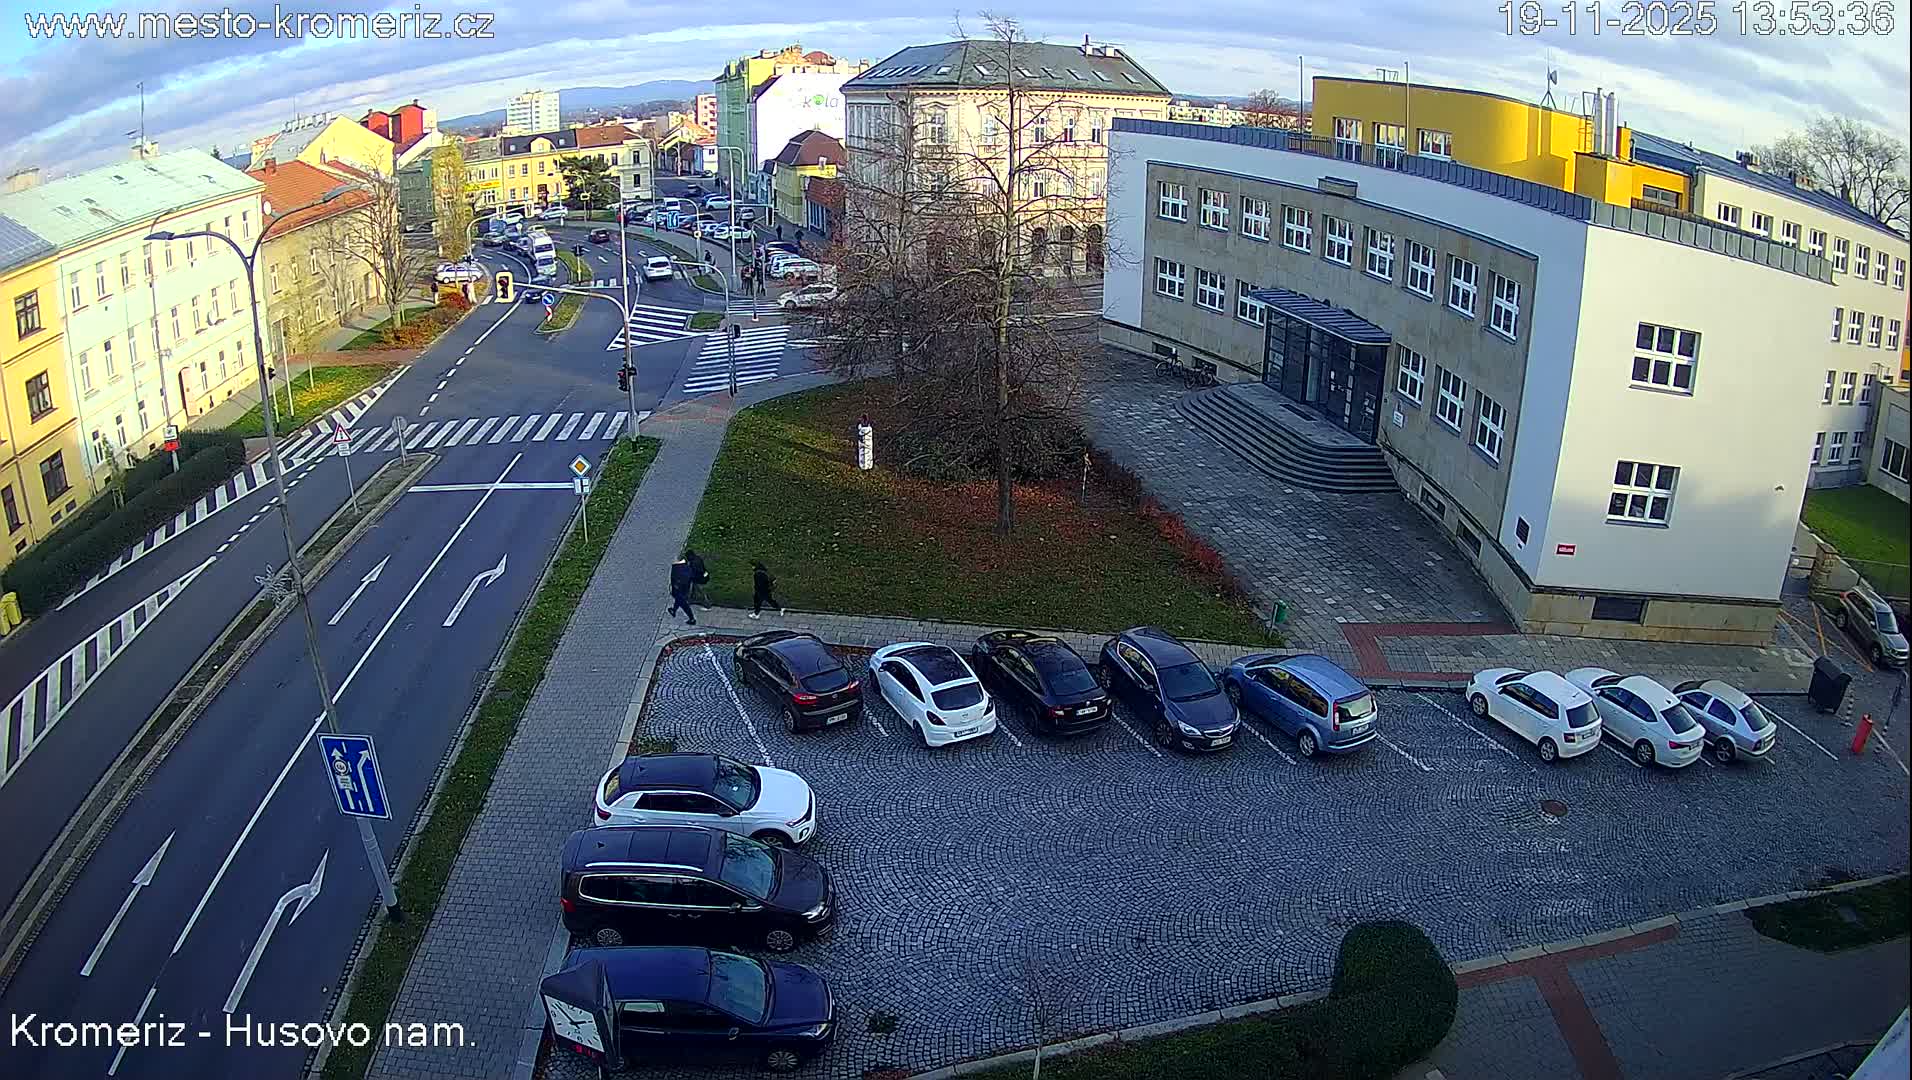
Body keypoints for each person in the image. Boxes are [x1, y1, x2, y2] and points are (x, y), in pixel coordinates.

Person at [668, 555, 696, 625]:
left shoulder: (675, 568)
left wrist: (672, 588)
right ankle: (674, 610)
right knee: (679, 600)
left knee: (683, 604)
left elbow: (673, 579)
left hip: (677, 589)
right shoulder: (688, 567)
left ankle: (692, 618)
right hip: (685, 588)